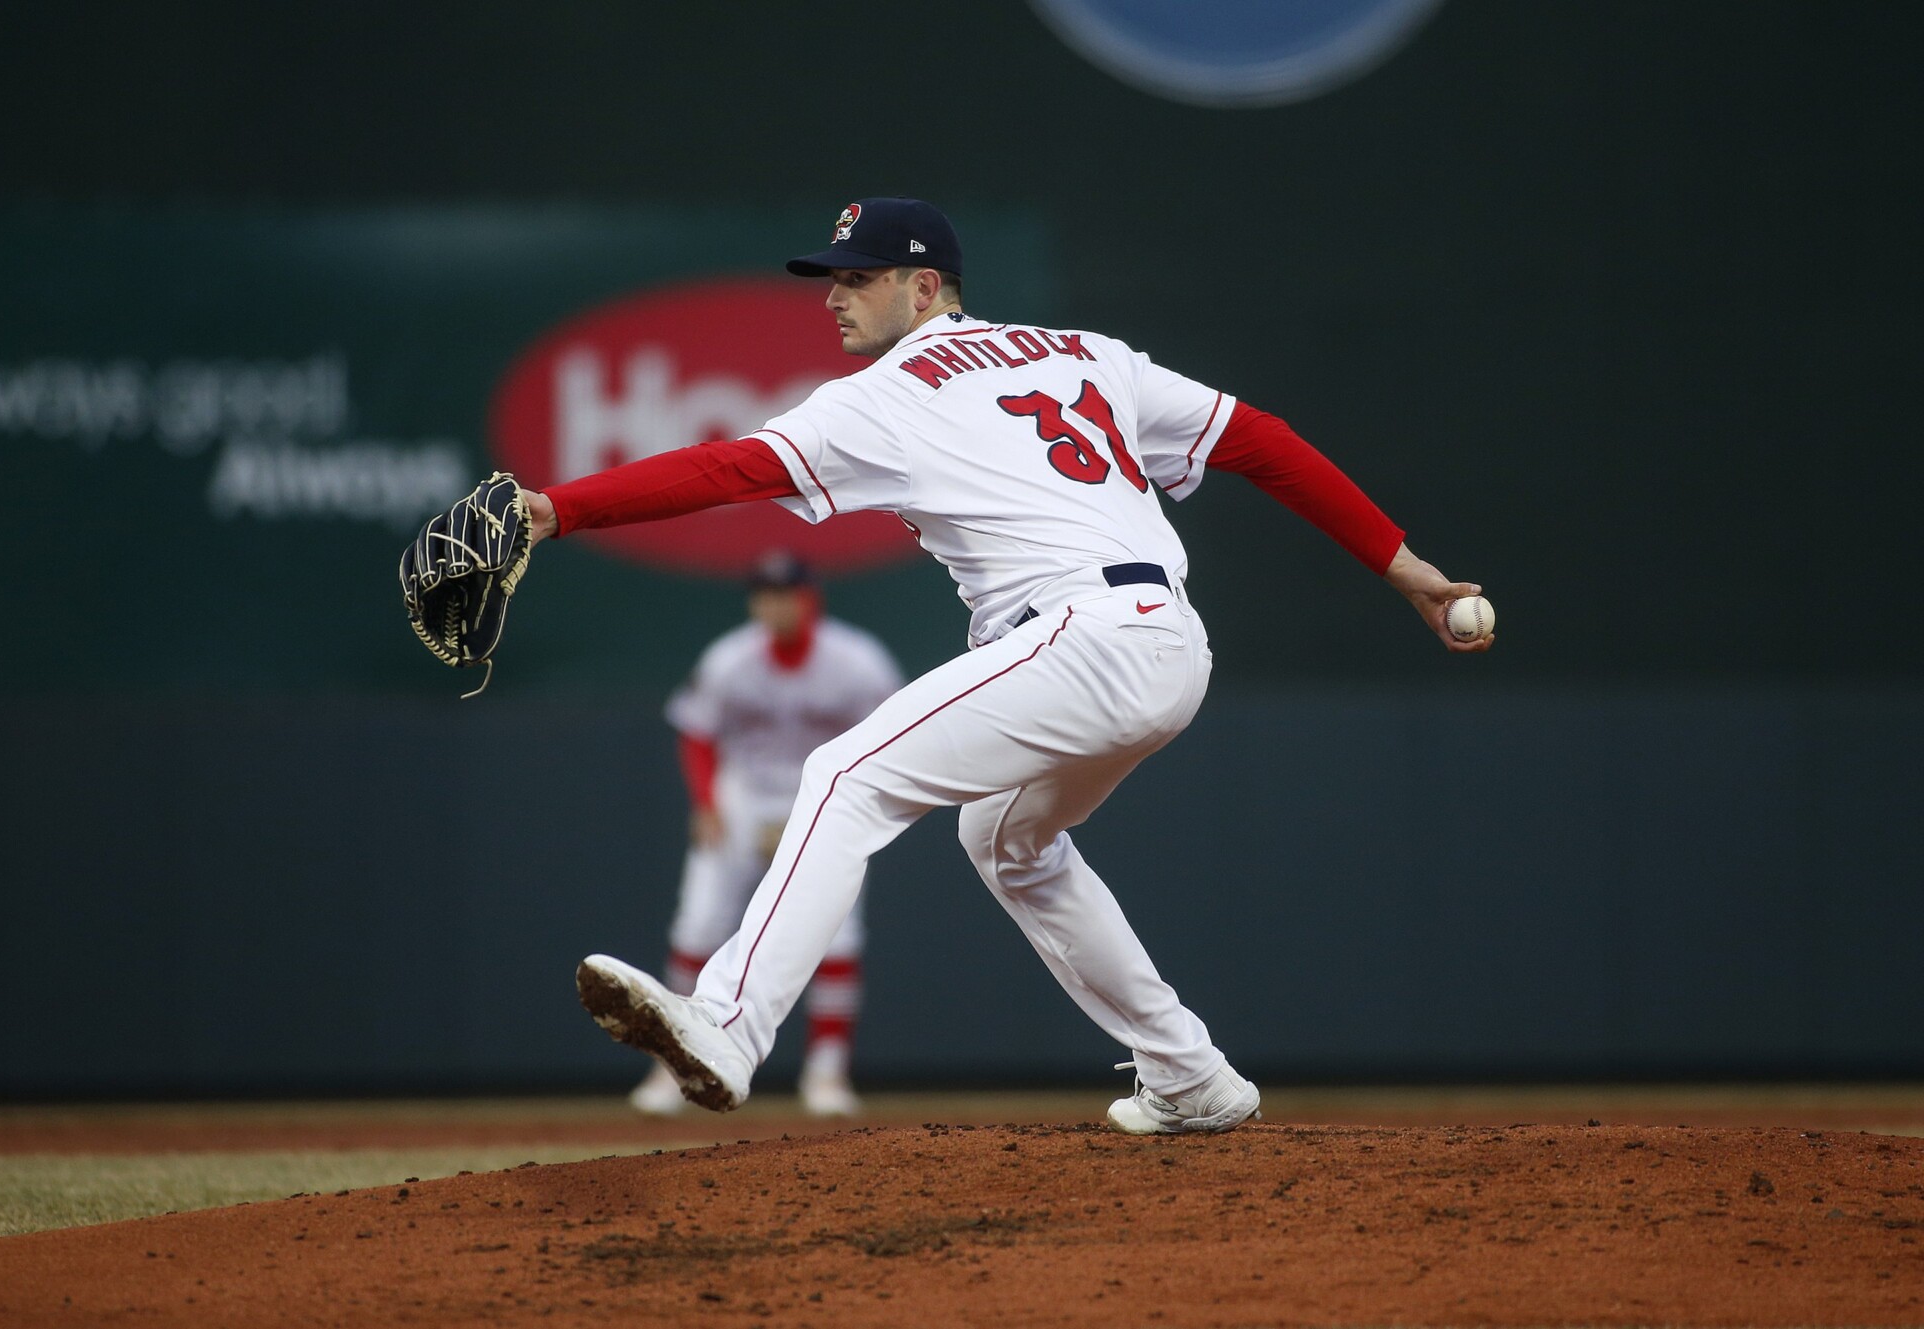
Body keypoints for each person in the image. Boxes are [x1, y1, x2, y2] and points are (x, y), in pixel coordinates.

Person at [535, 197, 1493, 1135]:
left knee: (843, 775)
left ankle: (731, 1025)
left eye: (858, 278)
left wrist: (553, 509)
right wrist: (1406, 568)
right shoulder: (1086, 353)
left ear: (924, 286)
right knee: (1005, 842)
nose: (834, 296)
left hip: (1081, 635)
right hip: (1166, 644)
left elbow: (727, 469)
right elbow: (1261, 441)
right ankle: (1188, 1073)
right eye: (831, 279)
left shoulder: (884, 395)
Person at [628, 551, 903, 1118]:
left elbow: (893, 737)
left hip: (824, 797)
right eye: (766, 594)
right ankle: (668, 1067)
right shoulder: (731, 659)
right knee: (699, 924)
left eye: (787, 592)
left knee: (839, 933)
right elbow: (698, 733)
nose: (776, 604)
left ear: (811, 599)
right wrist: (705, 804)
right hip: (744, 796)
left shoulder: (857, 662)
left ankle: (827, 1074)